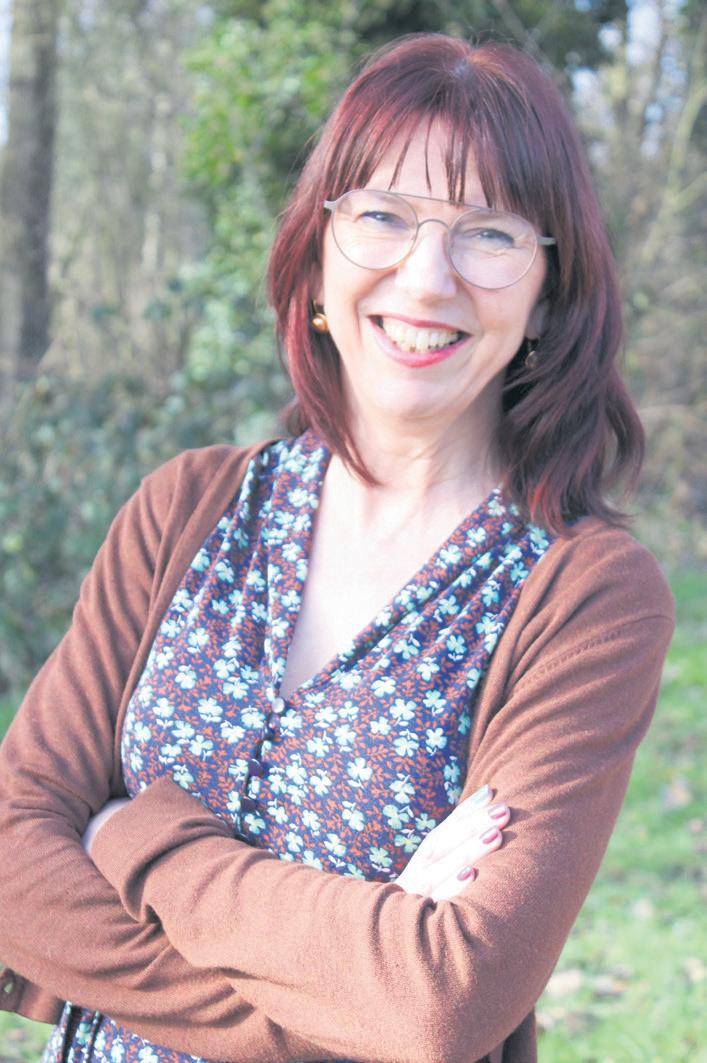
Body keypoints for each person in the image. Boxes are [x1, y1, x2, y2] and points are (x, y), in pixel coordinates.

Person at [0, 32, 674, 1063]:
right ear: (317, 258)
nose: (427, 276)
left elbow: (442, 999)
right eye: (382, 216)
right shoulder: (186, 509)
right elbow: (11, 856)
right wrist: (346, 999)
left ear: (547, 291)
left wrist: (130, 835)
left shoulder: (583, 597)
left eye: (488, 233)